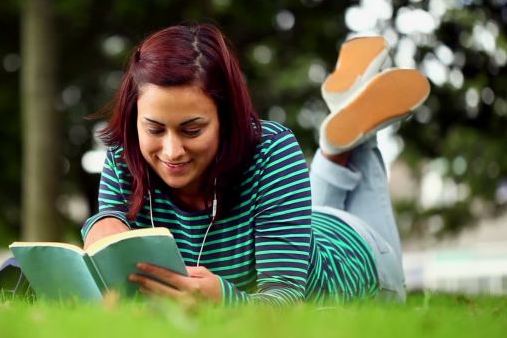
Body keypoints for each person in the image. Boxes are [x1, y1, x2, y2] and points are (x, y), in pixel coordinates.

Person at [81, 24, 430, 305]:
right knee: (305, 218)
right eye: (155, 128)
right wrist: (103, 223)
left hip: (356, 253)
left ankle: (349, 140)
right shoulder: (126, 154)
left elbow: (286, 299)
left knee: (362, 142)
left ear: (227, 118)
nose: (172, 151)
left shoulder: (271, 150)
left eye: (192, 129)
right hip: (293, 227)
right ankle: (339, 133)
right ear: (134, 118)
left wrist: (223, 300)